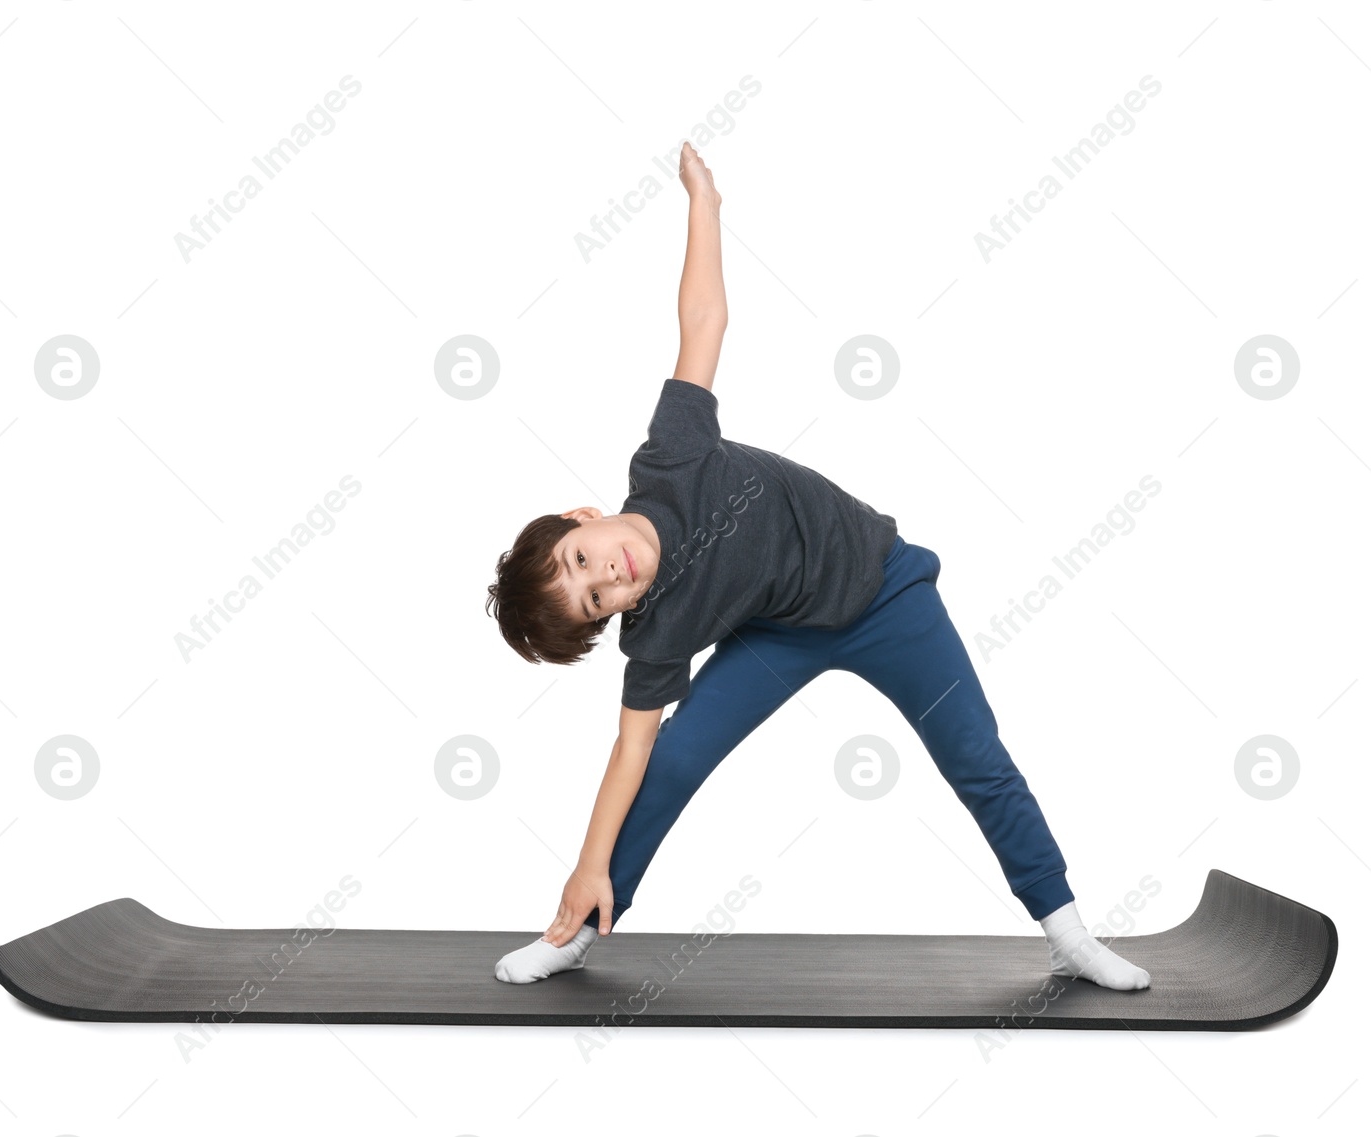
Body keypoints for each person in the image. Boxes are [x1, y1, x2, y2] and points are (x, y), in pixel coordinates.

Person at [484, 142, 1150, 991]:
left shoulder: (672, 454)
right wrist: (584, 867)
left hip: (882, 592)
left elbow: (703, 323)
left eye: (583, 558)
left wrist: (704, 207)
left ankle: (1068, 932)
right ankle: (577, 930)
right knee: (671, 761)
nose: (608, 576)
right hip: (778, 635)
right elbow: (628, 753)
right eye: (595, 601)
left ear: (583, 514)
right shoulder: (657, 630)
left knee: (976, 754)